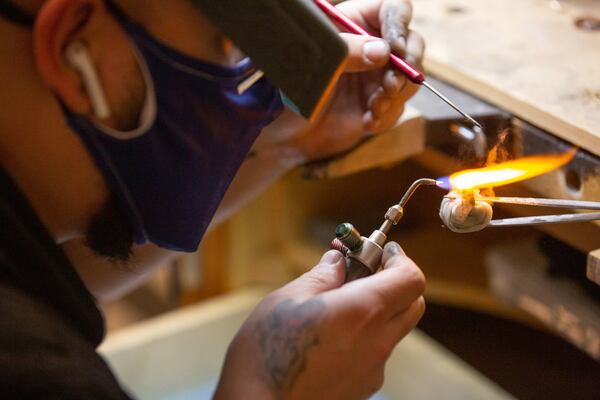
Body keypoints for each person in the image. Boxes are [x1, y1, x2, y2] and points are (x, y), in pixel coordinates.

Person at [0, 0, 426, 398]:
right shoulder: (40, 373)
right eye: (228, 44)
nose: (254, 72)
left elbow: (65, 269)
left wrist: (291, 143)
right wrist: (262, 388)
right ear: (75, 46)